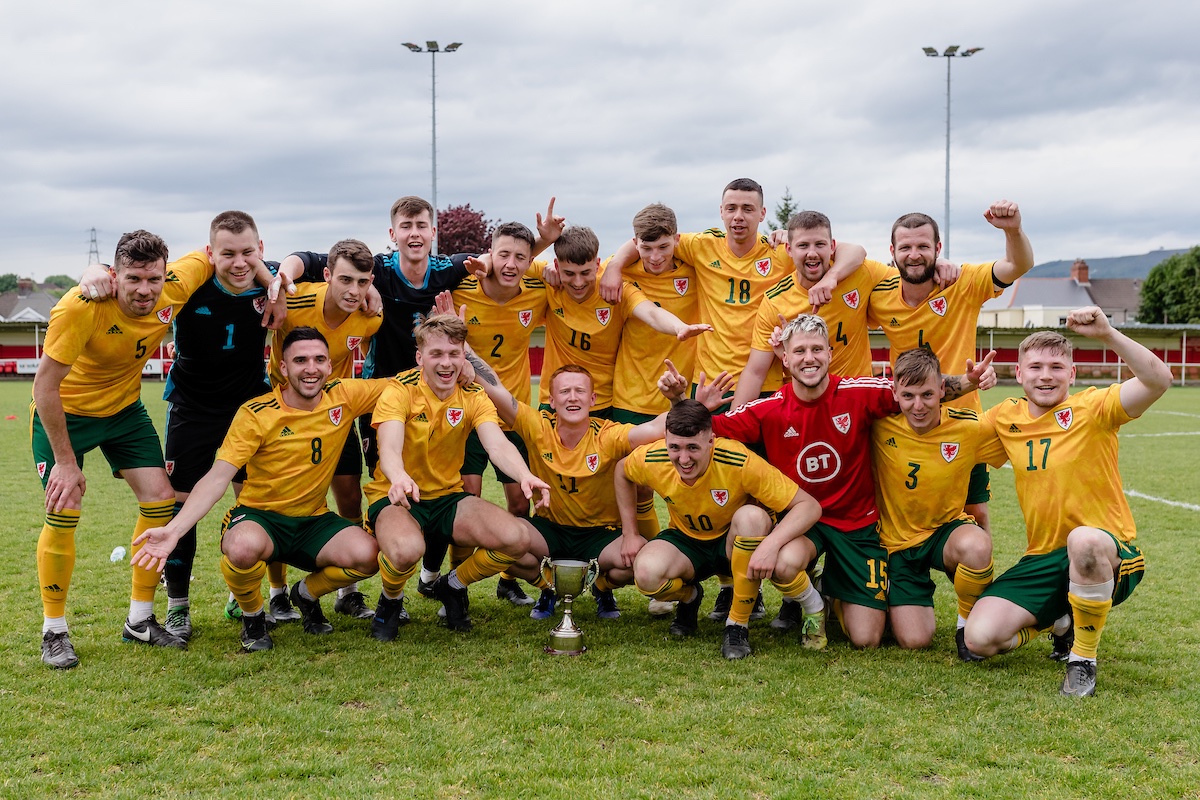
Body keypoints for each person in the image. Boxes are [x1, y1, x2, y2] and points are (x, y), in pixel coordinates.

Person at [664, 314, 991, 648]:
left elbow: (918, 390)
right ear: (786, 358)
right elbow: (702, 431)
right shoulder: (768, 409)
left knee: (867, 639)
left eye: (817, 349)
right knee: (783, 562)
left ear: (829, 354)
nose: (810, 357)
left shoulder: (858, 393)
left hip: (857, 526)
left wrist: (969, 382)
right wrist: (681, 402)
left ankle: (831, 590)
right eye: (800, 350)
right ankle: (811, 603)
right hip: (803, 523)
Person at [131, 328, 388, 652]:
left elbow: (404, 385)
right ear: (283, 368)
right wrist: (173, 530)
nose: (311, 368)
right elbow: (217, 477)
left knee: (368, 555)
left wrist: (464, 361)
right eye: (301, 360)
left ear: (328, 365)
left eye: (319, 359)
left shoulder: (344, 395)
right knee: (241, 548)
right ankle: (253, 618)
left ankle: (306, 594)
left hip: (312, 521)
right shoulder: (257, 413)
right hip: (260, 518)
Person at [964, 307, 1171, 697]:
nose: (1046, 375)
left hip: (1109, 551)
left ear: (1071, 374)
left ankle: (1082, 660)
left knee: (1084, 540)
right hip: (1043, 556)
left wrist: (1108, 334)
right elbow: (953, 442)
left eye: (1057, 367)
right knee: (979, 639)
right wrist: (964, 385)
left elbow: (1159, 379)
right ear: (1019, 373)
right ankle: (1062, 620)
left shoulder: (1094, 408)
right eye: (1036, 367)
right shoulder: (1005, 417)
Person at [32, 230, 212, 668]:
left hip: (125, 413)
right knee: (65, 503)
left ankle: (139, 620)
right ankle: (53, 631)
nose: (146, 290)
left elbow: (221, 253)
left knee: (160, 499)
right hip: (67, 414)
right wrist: (64, 462)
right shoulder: (81, 307)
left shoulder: (176, 284)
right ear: (115, 276)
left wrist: (277, 286)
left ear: (165, 272)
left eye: (154, 278)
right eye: (134, 279)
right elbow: (44, 387)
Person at [362, 314, 550, 638]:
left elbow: (497, 444)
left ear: (464, 355)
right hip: (400, 495)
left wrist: (524, 475)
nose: (446, 363)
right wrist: (399, 477)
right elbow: (389, 448)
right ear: (420, 357)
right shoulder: (399, 390)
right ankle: (390, 600)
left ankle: (453, 585)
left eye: (453, 353)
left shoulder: (474, 394)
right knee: (407, 550)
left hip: (448, 498)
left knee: (517, 538)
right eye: (437, 354)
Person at [600, 180, 866, 394]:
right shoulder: (701, 246)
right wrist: (613, 267)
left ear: (762, 214)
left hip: (767, 382)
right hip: (710, 382)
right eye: (732, 208)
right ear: (721, 212)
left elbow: (854, 251)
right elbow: (649, 240)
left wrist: (830, 278)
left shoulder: (781, 252)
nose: (739, 216)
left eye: (748, 209)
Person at [466, 356, 680, 620]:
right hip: (549, 531)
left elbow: (657, 427)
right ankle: (549, 588)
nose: (572, 397)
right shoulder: (537, 425)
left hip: (599, 535)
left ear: (592, 399)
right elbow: (495, 388)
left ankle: (602, 588)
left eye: (580, 391)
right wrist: (461, 346)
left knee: (639, 561)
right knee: (500, 542)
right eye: (564, 391)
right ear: (552, 400)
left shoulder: (609, 435)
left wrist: (677, 400)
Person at [867, 201, 1035, 534]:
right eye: (906, 247)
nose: (914, 254)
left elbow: (1019, 264)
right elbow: (833, 259)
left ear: (938, 248)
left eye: (924, 247)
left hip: (962, 421)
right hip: (904, 422)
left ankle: (979, 586)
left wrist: (1012, 229)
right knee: (895, 513)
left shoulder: (964, 283)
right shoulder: (878, 292)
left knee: (976, 514)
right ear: (892, 251)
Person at [616, 400, 821, 659]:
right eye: (675, 447)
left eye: (693, 447)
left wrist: (770, 545)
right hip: (687, 542)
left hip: (733, 544)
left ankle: (737, 625)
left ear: (711, 440)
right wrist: (629, 533)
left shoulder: (739, 459)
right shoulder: (652, 457)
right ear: (665, 439)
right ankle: (689, 597)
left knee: (752, 517)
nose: (684, 458)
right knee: (645, 573)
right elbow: (621, 471)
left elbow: (809, 506)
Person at [267, 238, 382, 621]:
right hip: (282, 421)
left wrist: (373, 293)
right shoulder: (295, 298)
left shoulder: (370, 316)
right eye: (346, 280)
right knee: (277, 505)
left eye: (363, 283)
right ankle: (278, 593)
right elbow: (266, 269)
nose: (354, 291)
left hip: (335, 418)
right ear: (328, 275)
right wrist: (283, 277)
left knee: (350, 500)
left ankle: (348, 594)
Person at [869, 347, 1001, 660]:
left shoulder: (970, 428)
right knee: (915, 640)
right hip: (896, 545)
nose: (918, 406)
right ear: (895, 393)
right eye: (909, 396)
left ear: (943, 389)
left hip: (944, 533)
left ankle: (966, 628)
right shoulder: (878, 425)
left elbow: (1024, 436)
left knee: (977, 546)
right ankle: (869, 593)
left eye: (927, 394)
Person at [450, 222, 548, 607]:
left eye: (520, 257)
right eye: (502, 254)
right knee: (466, 498)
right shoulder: (460, 288)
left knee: (519, 502)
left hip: (515, 413)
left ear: (530, 260)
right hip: (467, 412)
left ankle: (508, 578)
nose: (510, 264)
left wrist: (549, 243)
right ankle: (451, 582)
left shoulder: (539, 289)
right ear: (489, 254)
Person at [536, 225, 711, 417]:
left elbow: (652, 313)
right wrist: (542, 242)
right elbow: (510, 262)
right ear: (557, 265)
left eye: (586, 273)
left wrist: (679, 327)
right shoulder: (547, 280)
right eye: (569, 273)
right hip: (553, 401)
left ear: (598, 265)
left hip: (602, 402)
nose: (578, 282)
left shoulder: (615, 289)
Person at [731, 210, 894, 408]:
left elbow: (908, 276)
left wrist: (938, 262)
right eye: (803, 246)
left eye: (819, 244)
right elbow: (755, 372)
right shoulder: (776, 301)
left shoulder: (860, 273)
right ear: (789, 250)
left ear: (832, 246)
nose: (812, 253)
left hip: (855, 402)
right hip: (804, 408)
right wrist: (730, 427)